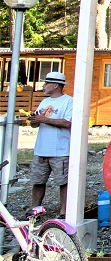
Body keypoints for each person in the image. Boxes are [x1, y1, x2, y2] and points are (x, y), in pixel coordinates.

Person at [28, 72, 73, 213]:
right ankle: (34, 210)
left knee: (63, 182)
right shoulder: (44, 102)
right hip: (41, 148)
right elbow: (37, 123)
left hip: (60, 149)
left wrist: (44, 120)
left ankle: (64, 211)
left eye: (47, 83)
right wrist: (34, 120)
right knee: (38, 181)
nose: (44, 86)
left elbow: (68, 122)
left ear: (55, 85)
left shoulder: (69, 101)